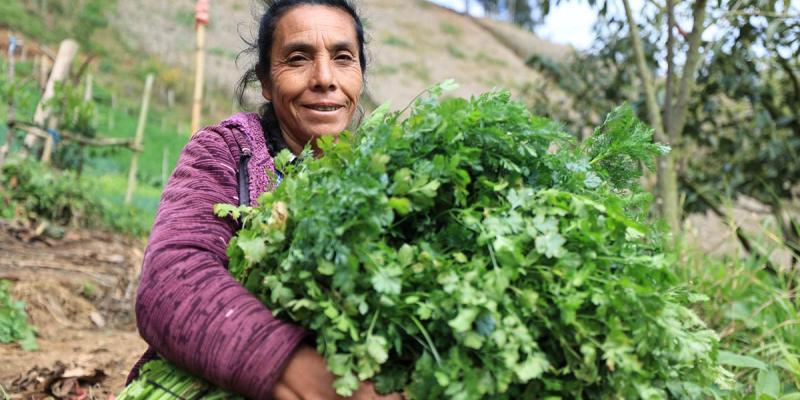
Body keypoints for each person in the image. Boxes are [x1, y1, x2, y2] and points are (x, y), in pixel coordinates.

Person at [128, 1, 402, 399]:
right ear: (266, 82)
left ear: (359, 73)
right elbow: (171, 282)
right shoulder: (227, 150)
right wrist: (304, 375)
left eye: (343, 58)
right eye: (298, 59)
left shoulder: (388, 176)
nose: (325, 78)